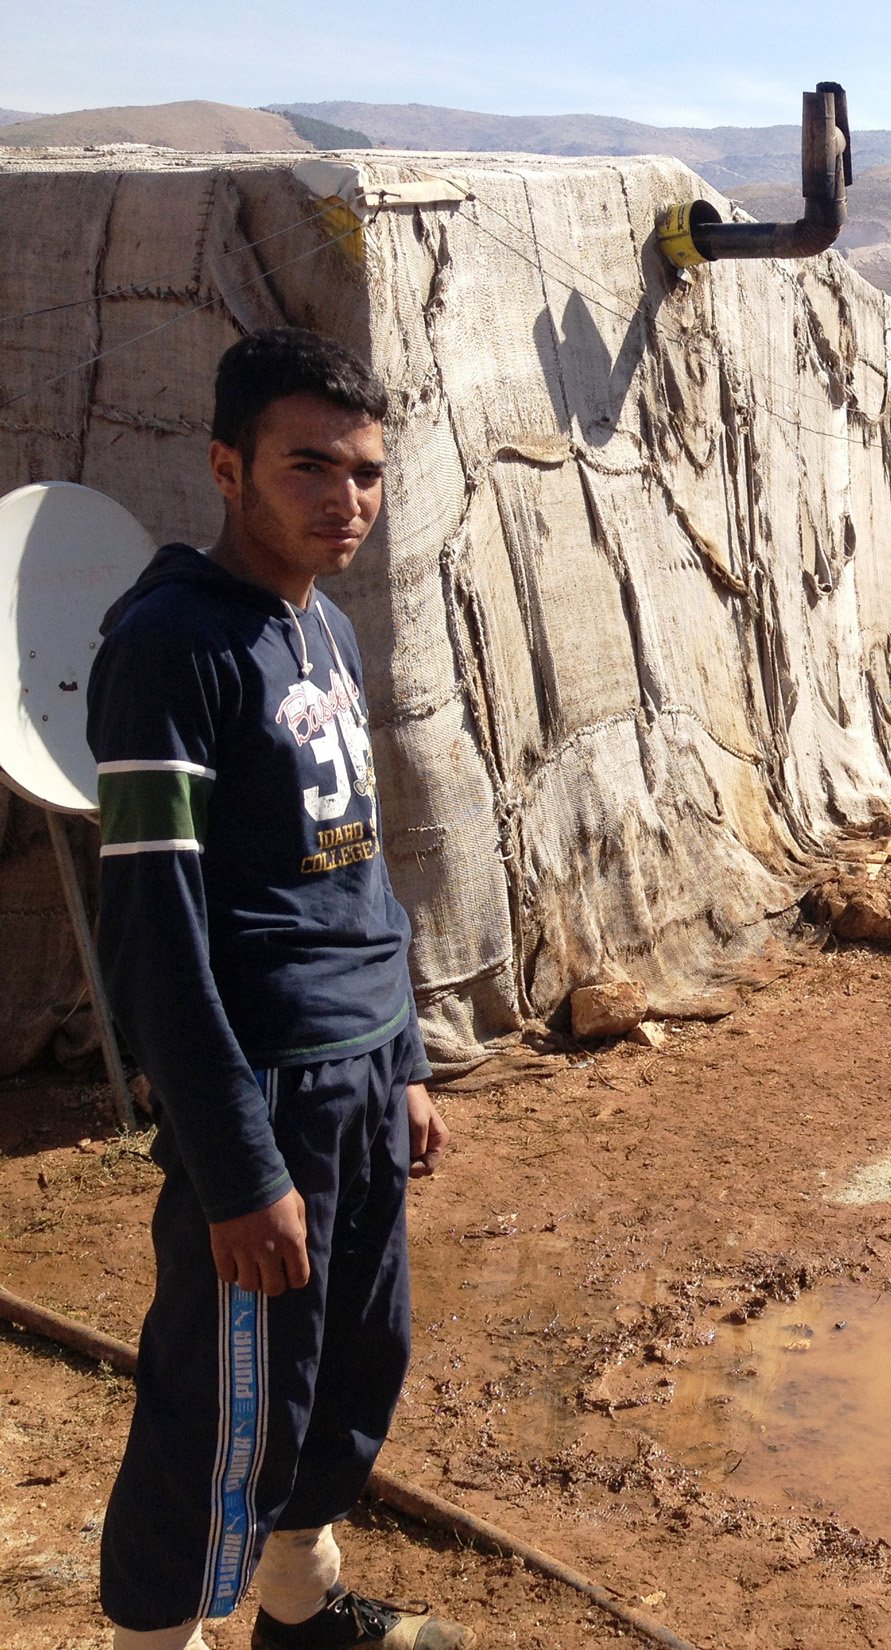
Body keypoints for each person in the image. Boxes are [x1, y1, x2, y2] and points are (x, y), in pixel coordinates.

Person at [87, 328, 471, 1650]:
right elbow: (154, 933)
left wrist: (405, 1057)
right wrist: (240, 1166)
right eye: (309, 465)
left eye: (366, 472)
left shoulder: (318, 625)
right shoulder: (169, 648)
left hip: (359, 1072)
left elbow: (357, 868)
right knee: (220, 1406)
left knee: (345, 1371)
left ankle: (301, 1608)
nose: (344, 498)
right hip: (264, 1087)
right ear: (224, 465)